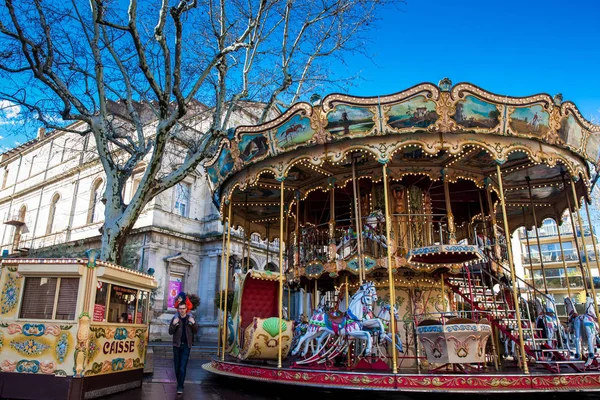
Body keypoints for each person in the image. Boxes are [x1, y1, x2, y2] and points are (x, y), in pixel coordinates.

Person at [169, 294, 198, 394]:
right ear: (178, 309)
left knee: (182, 367)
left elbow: (195, 331)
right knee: (177, 367)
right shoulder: (175, 318)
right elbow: (170, 332)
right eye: (180, 309)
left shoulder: (190, 318)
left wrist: (193, 323)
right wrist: (173, 324)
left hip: (186, 346)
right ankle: (179, 383)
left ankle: (180, 386)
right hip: (176, 346)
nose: (181, 310)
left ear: (186, 309)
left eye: (183, 308)